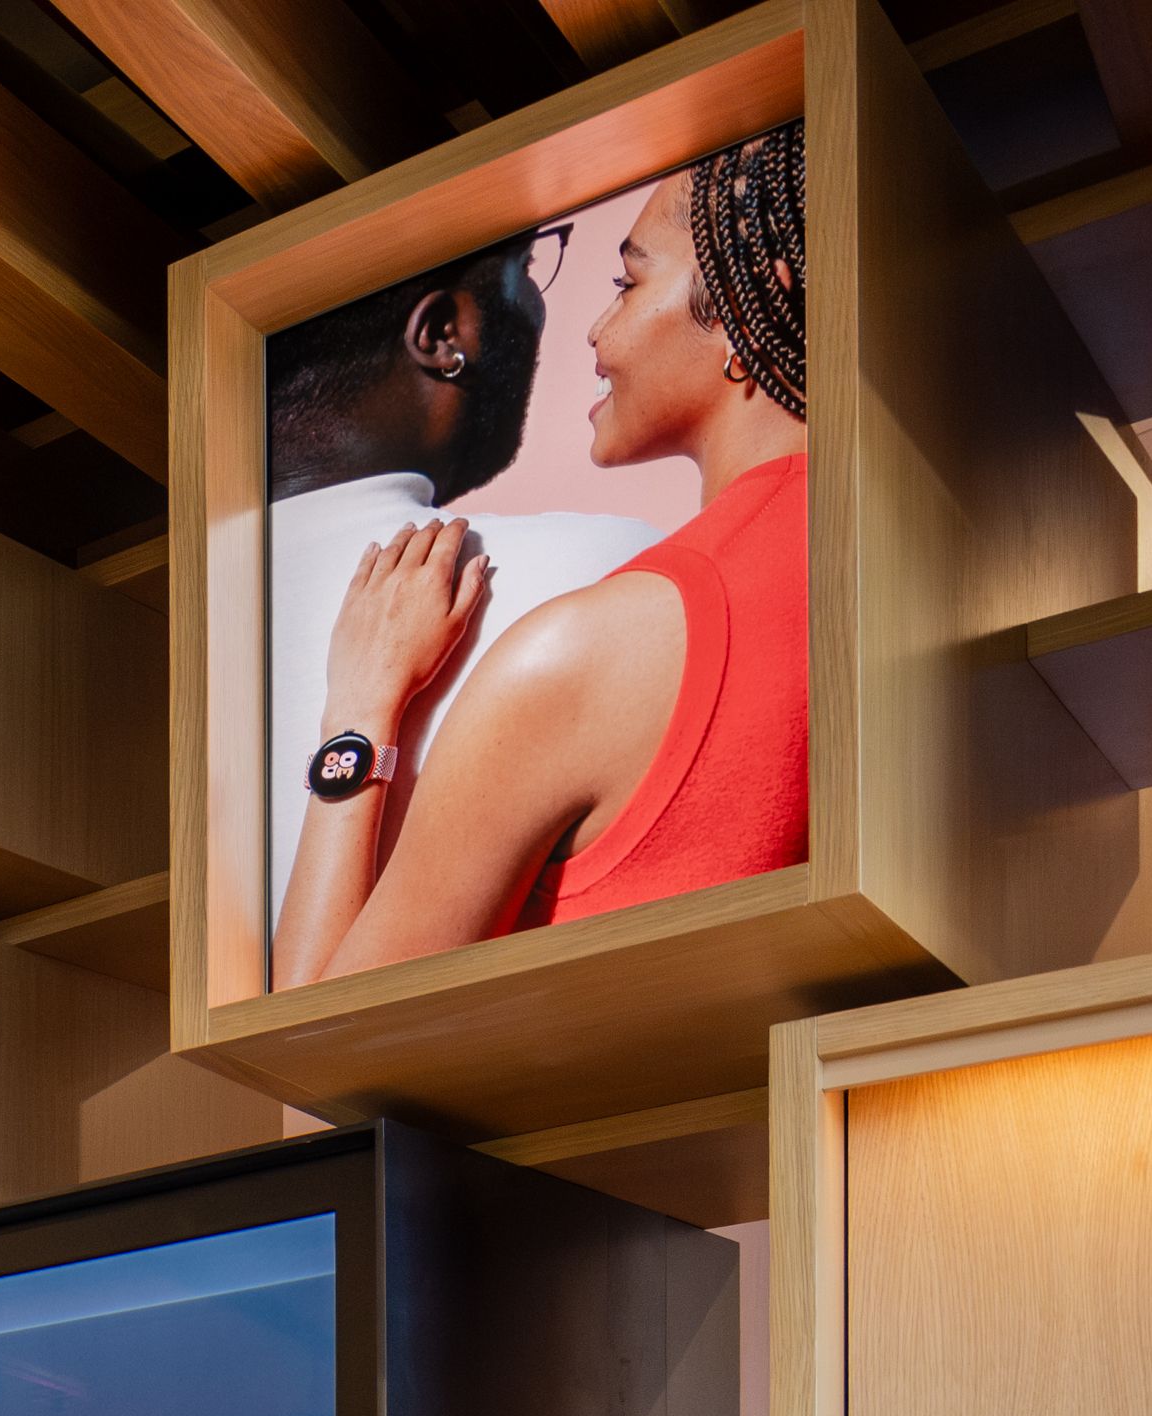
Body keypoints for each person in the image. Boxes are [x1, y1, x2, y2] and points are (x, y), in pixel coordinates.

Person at [277, 129, 813, 984]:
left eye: (628, 284)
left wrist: (359, 712)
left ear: (745, 309)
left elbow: (318, 1034)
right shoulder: (873, 559)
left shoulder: (585, 647)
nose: (595, 330)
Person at [262, 221, 657, 925]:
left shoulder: (149, 627)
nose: (580, 325)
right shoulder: (612, 580)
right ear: (441, 334)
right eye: (527, 267)